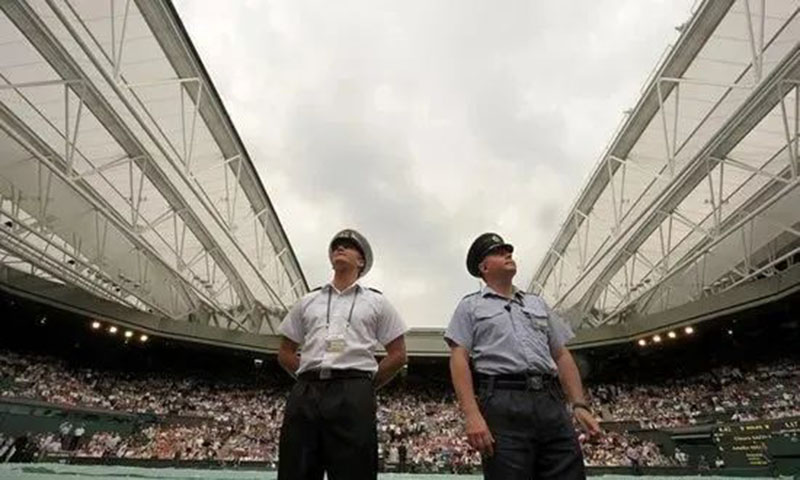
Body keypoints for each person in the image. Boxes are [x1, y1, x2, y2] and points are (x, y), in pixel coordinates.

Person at [445, 233, 601, 480]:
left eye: (508, 250)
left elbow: (561, 355)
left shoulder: (537, 304)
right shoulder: (470, 306)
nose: (508, 254)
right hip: (503, 401)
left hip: (550, 400)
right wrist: (472, 415)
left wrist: (579, 404)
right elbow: (459, 358)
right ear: (483, 267)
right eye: (498, 252)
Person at [277, 229, 409, 480]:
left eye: (348, 246)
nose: (340, 248)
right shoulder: (308, 300)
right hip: (307, 388)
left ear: (361, 261)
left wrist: (365, 385)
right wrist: (307, 378)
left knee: (354, 471)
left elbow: (398, 354)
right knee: (296, 467)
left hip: (353, 388)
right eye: (336, 245)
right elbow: (285, 351)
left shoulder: (377, 302)